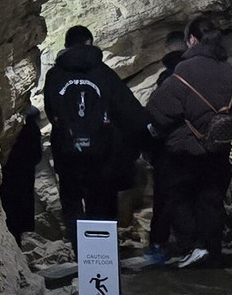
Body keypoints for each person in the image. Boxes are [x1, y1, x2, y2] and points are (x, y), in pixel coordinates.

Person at [146, 15, 232, 269]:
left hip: (186, 152)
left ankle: (195, 246)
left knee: (178, 197)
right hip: (220, 150)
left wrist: (166, 132)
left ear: (192, 40)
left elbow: (158, 110)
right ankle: (211, 250)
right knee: (212, 200)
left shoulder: (183, 73)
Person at [43, 25, 151, 255]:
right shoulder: (104, 73)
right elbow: (128, 112)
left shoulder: (54, 75)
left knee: (72, 204)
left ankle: (81, 255)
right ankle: (102, 257)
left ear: (66, 46)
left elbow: (51, 110)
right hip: (102, 154)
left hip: (67, 152)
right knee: (101, 203)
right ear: (90, 42)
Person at [143, 28, 189, 264]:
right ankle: (198, 243)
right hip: (200, 148)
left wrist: (150, 148)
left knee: (165, 199)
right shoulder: (200, 74)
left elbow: (156, 115)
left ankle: (159, 246)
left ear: (169, 49)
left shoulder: (166, 78)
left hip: (169, 148)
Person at [0, 105, 43, 245]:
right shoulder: (33, 128)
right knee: (19, 219)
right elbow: (37, 156)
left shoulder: (11, 128)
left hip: (7, 176)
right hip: (24, 177)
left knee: (10, 217)